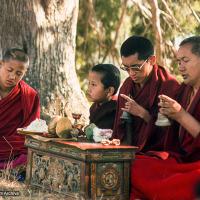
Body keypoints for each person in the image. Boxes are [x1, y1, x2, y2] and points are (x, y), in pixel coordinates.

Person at [130, 36, 200, 200]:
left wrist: (181, 115)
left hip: (196, 166)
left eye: (185, 60)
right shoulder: (184, 90)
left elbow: (183, 118)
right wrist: (167, 115)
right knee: (133, 164)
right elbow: (171, 138)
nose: (181, 67)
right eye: (178, 62)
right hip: (181, 161)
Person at [112, 35, 180, 151]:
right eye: (126, 68)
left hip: (157, 151)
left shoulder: (169, 86)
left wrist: (143, 114)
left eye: (136, 67)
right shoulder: (127, 86)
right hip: (128, 149)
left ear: (152, 60)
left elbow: (170, 135)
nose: (131, 73)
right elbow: (120, 129)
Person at [0, 48, 40, 172]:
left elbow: (32, 131)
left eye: (19, 73)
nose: (12, 76)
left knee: (32, 155)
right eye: (9, 70)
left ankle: (10, 168)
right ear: (1, 64)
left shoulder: (29, 95)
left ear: (25, 73)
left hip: (13, 148)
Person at [86, 63, 120, 129]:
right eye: (89, 83)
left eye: (93, 84)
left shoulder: (113, 111)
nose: (89, 89)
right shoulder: (94, 107)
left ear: (109, 91)